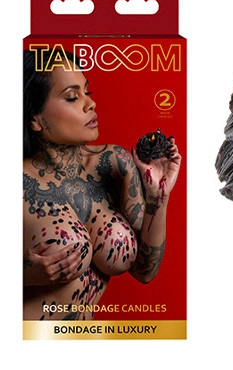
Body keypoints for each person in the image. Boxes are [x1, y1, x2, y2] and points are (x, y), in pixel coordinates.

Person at [23, 50, 182, 321]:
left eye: (88, 92)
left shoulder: (115, 164)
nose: (90, 104)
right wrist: (24, 273)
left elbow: (144, 271)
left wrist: (158, 195)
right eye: (72, 97)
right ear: (35, 118)